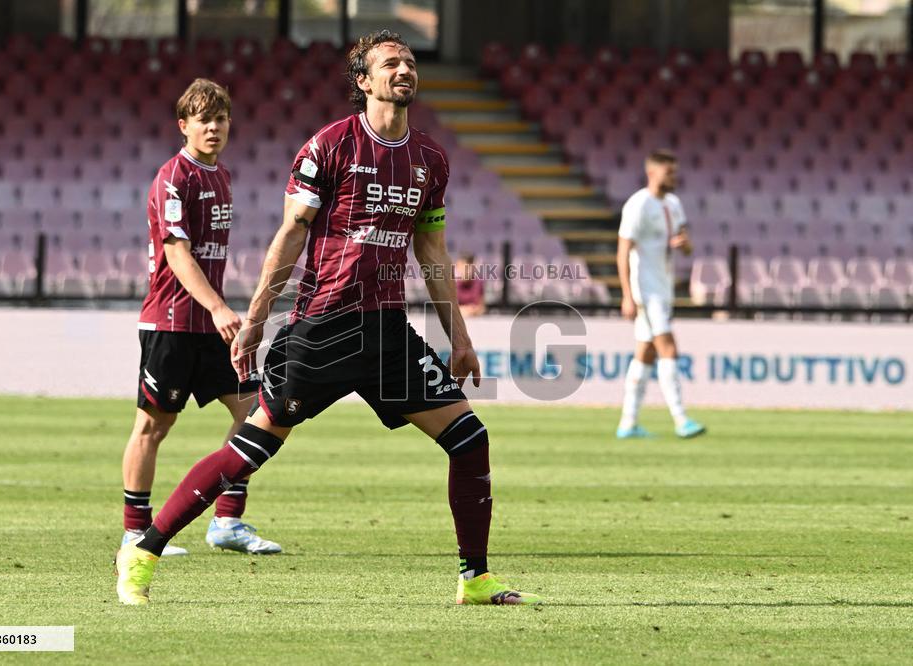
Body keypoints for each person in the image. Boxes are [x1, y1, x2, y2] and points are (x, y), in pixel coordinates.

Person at [115, 30, 540, 606]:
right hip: (325, 330)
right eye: (391, 63)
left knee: (469, 439)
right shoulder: (330, 146)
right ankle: (142, 552)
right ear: (364, 81)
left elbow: (432, 253)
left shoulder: (431, 160)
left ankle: (475, 577)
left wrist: (458, 338)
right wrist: (258, 317)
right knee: (251, 448)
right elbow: (291, 234)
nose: (405, 69)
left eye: (410, 62)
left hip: (389, 332)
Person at [122, 78, 281, 557]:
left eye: (221, 119)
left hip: (209, 325)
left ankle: (227, 521)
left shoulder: (222, 176)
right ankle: (135, 532)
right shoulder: (174, 177)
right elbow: (176, 252)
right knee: (154, 426)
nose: (213, 127)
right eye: (203, 120)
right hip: (171, 323)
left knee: (254, 412)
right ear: (183, 126)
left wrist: (215, 311)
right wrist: (218, 306)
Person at [615, 150, 706, 440]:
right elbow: (622, 251)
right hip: (646, 289)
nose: (674, 177)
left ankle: (628, 423)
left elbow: (686, 247)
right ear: (652, 173)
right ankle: (681, 419)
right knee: (668, 347)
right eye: (670, 172)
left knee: (646, 352)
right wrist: (627, 294)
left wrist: (685, 245)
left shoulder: (673, 204)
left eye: (675, 172)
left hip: (663, 287)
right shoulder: (638, 205)